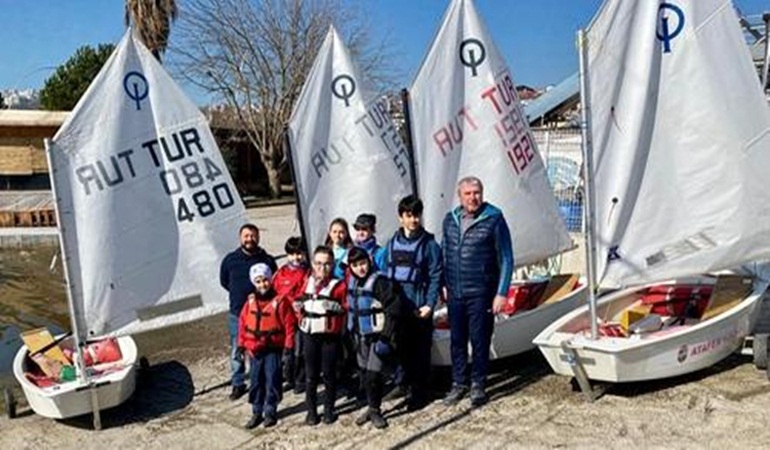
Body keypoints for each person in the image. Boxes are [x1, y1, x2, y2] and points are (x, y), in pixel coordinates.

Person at [441, 177, 513, 407]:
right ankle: (459, 384)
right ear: (459, 196)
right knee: (457, 340)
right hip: (455, 292)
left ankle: (478, 385)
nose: (473, 198)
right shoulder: (449, 220)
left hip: (481, 291)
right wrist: (444, 282)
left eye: (477, 192)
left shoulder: (494, 219)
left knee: (480, 340)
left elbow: (507, 258)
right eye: (468, 194)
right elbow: (445, 251)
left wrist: (501, 293)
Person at [383, 195, 442, 411]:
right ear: (401, 218)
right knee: (399, 349)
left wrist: (430, 304)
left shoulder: (430, 245)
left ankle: (419, 393)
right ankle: (402, 385)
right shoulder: (392, 243)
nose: (413, 220)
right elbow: (381, 270)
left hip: (419, 307)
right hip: (398, 307)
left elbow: (436, 275)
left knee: (420, 352)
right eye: (409, 216)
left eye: (416, 215)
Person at [346, 247, 403, 429]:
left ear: (369, 261)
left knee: (373, 374)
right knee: (364, 374)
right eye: (355, 265)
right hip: (360, 337)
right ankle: (370, 408)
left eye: (362, 263)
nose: (360, 268)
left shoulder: (379, 282)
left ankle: (376, 411)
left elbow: (393, 309)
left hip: (378, 337)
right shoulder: (353, 283)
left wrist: (386, 336)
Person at [220, 224, 278, 400]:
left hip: (261, 314)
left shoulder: (267, 260)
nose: (249, 239)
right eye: (246, 236)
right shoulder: (230, 260)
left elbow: (274, 281)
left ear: (258, 237)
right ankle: (238, 383)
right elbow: (224, 281)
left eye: (253, 236)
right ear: (240, 238)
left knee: (259, 348)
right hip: (237, 313)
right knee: (237, 350)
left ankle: (257, 379)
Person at [237, 263, 296, 429]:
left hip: (273, 349)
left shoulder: (280, 302)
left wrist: (288, 346)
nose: (262, 284)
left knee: (272, 380)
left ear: (270, 280)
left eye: (265, 280)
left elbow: (290, 326)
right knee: (256, 381)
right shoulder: (249, 302)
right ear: (254, 283)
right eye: (258, 281)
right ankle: (257, 411)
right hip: (255, 350)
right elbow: (242, 323)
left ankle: (270, 411)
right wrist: (241, 345)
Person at [297, 245, 347, 425]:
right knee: (311, 375)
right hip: (309, 334)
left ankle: (328, 411)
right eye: (318, 263)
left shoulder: (339, 285)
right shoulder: (306, 281)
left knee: (329, 375)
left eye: (326, 264)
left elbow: (347, 306)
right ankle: (311, 412)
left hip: (329, 337)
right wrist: (298, 308)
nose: (322, 268)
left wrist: (338, 308)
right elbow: (297, 298)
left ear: (332, 265)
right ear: (312, 263)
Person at [272, 236, 310, 393]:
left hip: (299, 317)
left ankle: (301, 380)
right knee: (285, 350)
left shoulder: (307, 272)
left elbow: (305, 291)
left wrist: (298, 302)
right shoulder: (280, 273)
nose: (296, 257)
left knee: (299, 350)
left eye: (299, 253)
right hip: (282, 318)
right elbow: (274, 291)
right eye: (292, 254)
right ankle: (290, 378)